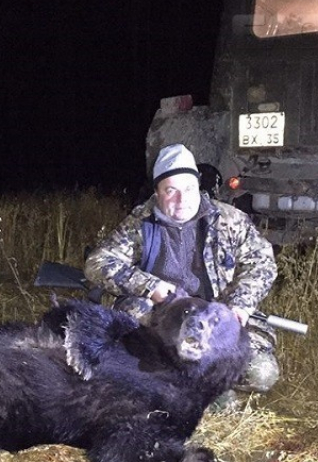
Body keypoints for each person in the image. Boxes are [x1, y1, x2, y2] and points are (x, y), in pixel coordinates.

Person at [84, 143, 280, 399]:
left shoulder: (229, 219)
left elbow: (262, 262)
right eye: (171, 191)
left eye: (188, 188)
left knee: (260, 371)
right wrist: (149, 287)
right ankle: (204, 390)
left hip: (216, 315)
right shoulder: (140, 223)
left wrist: (239, 305)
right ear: (157, 193)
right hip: (164, 317)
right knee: (132, 340)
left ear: (198, 185)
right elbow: (98, 263)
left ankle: (198, 384)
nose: (182, 199)